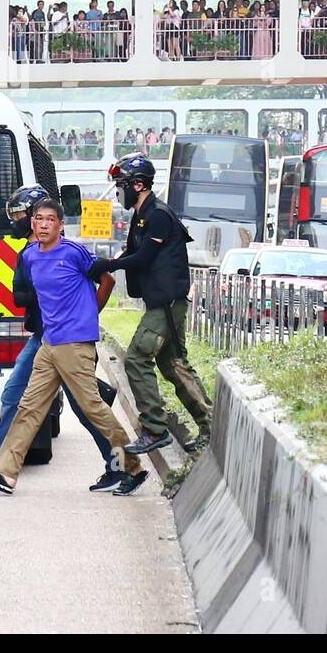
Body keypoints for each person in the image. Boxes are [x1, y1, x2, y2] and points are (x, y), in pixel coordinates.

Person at [0, 198, 145, 496]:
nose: (44, 224)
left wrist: (88, 317)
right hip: (49, 343)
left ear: (61, 225)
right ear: (33, 223)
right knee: (28, 406)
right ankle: (5, 473)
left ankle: (132, 467)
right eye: (39, 219)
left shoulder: (73, 252)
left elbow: (107, 281)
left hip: (74, 343)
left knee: (93, 409)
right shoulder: (30, 257)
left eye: (51, 219)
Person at [88, 152, 211, 454]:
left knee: (136, 358)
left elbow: (143, 258)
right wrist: (108, 263)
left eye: (122, 184)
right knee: (173, 365)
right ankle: (211, 426)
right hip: (163, 302)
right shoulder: (143, 215)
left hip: (167, 303)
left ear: (139, 184)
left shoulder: (158, 215)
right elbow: (134, 253)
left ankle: (155, 429)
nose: (119, 191)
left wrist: (108, 265)